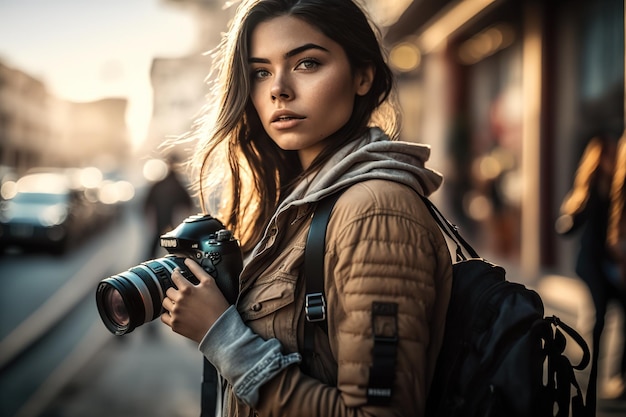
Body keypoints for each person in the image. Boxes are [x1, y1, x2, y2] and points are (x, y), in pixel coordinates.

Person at [160, 1, 453, 416]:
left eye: (307, 63)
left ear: (363, 76)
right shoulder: (298, 202)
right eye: (261, 71)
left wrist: (219, 334)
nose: (278, 88)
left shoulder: (374, 213)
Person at [556, 130, 626, 406]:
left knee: (615, 314)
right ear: (599, 159)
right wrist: (567, 219)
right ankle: (593, 378)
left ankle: (618, 378)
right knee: (600, 318)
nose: (613, 159)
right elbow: (569, 225)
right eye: (608, 155)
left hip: (610, 264)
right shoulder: (590, 188)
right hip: (591, 265)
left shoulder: (617, 190)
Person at [143, 153, 194, 259]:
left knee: (158, 241)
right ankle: (178, 260)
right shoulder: (177, 184)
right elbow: (188, 204)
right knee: (173, 242)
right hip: (170, 219)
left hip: (163, 218)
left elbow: (147, 203)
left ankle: (149, 261)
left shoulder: (160, 184)